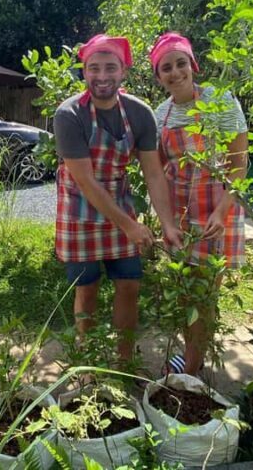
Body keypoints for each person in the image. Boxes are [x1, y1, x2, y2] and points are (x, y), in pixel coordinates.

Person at [53, 34, 183, 361]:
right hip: (78, 208)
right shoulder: (69, 115)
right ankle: (88, 359)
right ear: (84, 72)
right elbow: (84, 179)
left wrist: (168, 224)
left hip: (118, 200)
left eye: (110, 67)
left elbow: (154, 173)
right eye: (93, 68)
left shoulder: (139, 113)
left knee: (129, 284)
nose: (102, 76)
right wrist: (130, 226)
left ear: (123, 71)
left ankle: (125, 361)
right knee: (88, 288)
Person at [150, 32, 248, 376]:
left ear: (193, 65)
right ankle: (192, 355)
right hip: (180, 214)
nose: (175, 72)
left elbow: (239, 164)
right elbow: (159, 173)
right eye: (166, 68)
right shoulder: (160, 114)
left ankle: (191, 369)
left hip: (216, 212)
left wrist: (223, 211)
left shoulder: (221, 101)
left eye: (180, 63)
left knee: (204, 295)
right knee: (185, 291)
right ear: (158, 76)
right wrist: (166, 221)